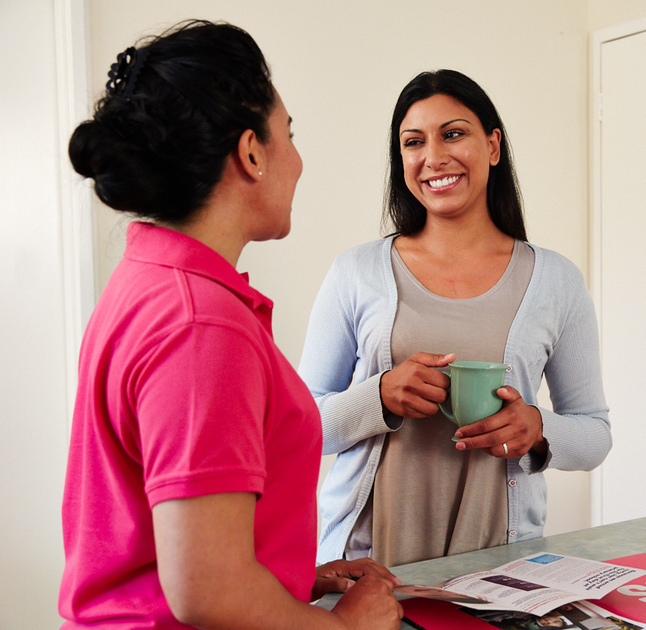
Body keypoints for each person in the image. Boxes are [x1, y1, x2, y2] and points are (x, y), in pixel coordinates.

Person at [59, 20, 402, 629]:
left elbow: (180, 535)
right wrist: (347, 627)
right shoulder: (201, 327)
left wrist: (291, 572)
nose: (296, 160)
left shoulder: (148, 278)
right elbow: (208, 592)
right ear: (250, 152)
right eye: (287, 135)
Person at [299, 69, 611, 568]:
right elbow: (302, 426)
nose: (433, 157)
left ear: (492, 146)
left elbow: (595, 435)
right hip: (367, 564)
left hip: (504, 565)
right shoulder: (354, 272)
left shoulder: (556, 280)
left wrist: (537, 427)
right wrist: (378, 395)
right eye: (413, 142)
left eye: (453, 133)